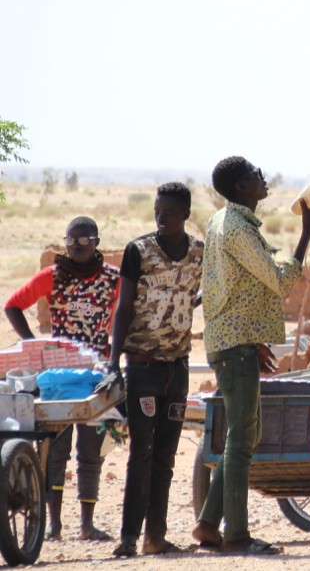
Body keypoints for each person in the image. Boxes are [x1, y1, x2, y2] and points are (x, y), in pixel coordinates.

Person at [193, 157, 310, 554]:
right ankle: (237, 536)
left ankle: (207, 525)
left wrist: (255, 338)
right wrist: (307, 230)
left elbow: (234, 289)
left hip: (234, 341)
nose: (262, 178)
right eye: (254, 176)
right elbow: (279, 280)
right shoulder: (236, 230)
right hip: (234, 346)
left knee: (244, 433)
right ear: (240, 189)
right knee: (241, 436)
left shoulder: (222, 222)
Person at [104, 183, 205, 556]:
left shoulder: (199, 253)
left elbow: (201, 292)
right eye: (157, 212)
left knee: (165, 456)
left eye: (169, 213)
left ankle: (156, 537)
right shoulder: (139, 251)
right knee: (140, 453)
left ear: (186, 215)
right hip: (142, 367)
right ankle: (129, 537)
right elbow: (124, 308)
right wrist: (114, 362)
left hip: (177, 366)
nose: (161, 218)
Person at [5, 216, 118, 541]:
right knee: (56, 450)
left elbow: (127, 313)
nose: (76, 247)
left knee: (91, 452)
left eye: (84, 241)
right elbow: (13, 305)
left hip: (96, 374)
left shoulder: (112, 279)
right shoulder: (53, 276)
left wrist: (114, 356)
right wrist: (34, 345)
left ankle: (86, 524)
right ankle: (53, 525)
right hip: (58, 377)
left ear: (96, 242)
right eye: (70, 240)